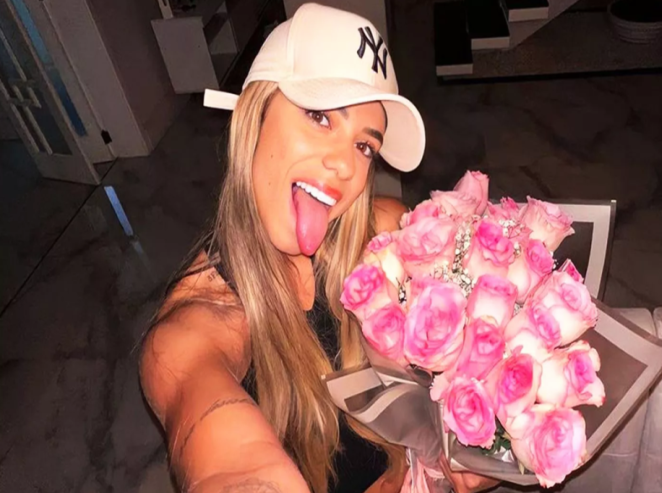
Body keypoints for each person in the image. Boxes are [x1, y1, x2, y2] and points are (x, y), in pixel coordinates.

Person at [139, 3, 500, 493]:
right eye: (319, 117)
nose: (346, 166)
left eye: (364, 146)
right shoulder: (192, 331)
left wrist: (477, 446)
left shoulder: (388, 235)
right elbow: (231, 463)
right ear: (253, 114)